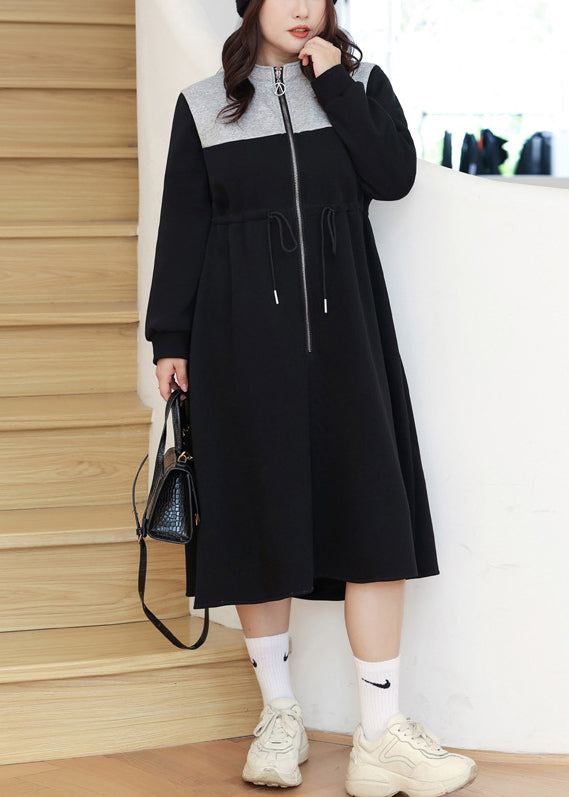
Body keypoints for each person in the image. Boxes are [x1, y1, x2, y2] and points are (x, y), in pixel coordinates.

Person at [145, 0, 478, 794]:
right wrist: (170, 339)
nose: (302, 7)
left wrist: (334, 87)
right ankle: (279, 716)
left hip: (347, 341)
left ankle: (380, 734)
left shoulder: (359, 84)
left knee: (372, 513)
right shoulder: (204, 104)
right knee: (254, 513)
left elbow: (392, 177)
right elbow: (184, 224)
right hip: (238, 344)